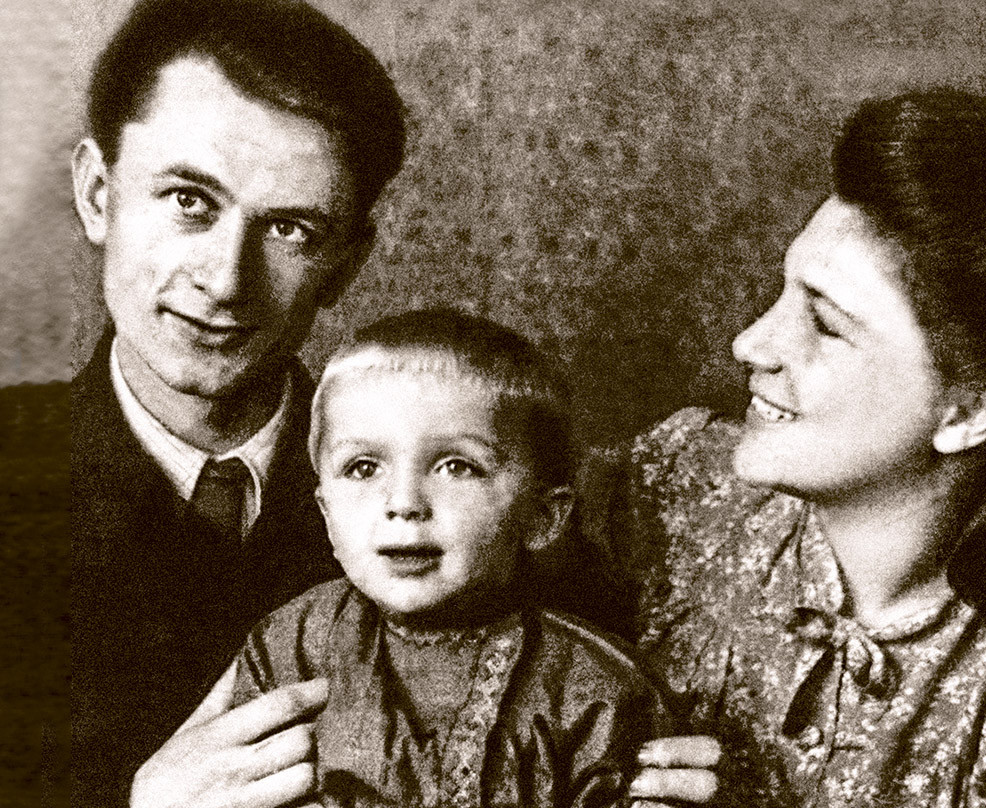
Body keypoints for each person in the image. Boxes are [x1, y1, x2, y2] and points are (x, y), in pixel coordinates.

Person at [580, 89, 986, 806]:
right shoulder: (680, 486)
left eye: (826, 324)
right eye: (783, 296)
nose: (751, 344)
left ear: (968, 411)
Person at [68, 0, 405, 806]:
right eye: (189, 201)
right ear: (99, 195)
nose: (226, 281)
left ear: (346, 265)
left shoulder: (450, 496)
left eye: (290, 229)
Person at [227, 310, 675, 805]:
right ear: (326, 513)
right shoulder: (292, 644)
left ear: (541, 517)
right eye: (363, 468)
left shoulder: (596, 691)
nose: (403, 503)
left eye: (456, 466)